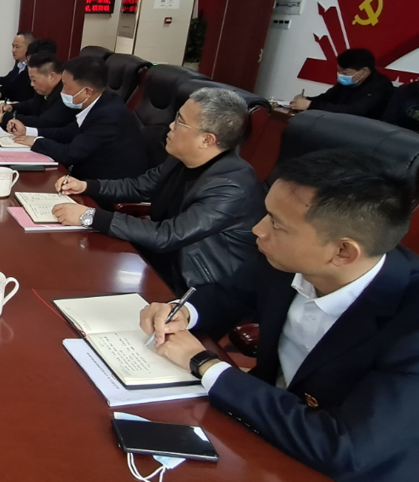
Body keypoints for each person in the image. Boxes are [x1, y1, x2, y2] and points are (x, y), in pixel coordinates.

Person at [141, 150, 419, 482]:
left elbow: (344, 448)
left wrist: (204, 363)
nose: (257, 229)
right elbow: (233, 293)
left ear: (343, 251)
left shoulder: (410, 321)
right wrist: (184, 310)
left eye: (275, 223)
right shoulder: (285, 258)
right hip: (260, 427)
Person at [53, 87, 263, 293]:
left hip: (195, 288)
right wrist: (86, 185)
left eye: (180, 121)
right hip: (158, 261)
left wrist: (90, 216)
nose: (171, 125)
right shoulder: (181, 159)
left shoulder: (231, 186)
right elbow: (138, 186)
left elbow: (168, 235)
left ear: (206, 140)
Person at [13, 56, 147, 181]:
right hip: (86, 177)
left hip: (105, 187)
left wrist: (36, 142)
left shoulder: (108, 116)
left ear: (87, 91)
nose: (62, 92)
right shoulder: (100, 103)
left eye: (65, 86)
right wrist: (28, 131)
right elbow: (67, 132)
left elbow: (70, 154)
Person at [0, 52, 77, 130]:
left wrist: (5, 118)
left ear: (51, 76)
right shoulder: (47, 90)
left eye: (34, 80)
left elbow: (44, 122)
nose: (32, 84)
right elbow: (33, 104)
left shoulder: (67, 93)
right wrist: (12, 107)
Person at [290, 47, 393, 118]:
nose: (341, 75)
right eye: (339, 71)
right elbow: (327, 97)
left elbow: (355, 111)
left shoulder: (381, 86)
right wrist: (306, 99)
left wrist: (311, 105)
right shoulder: (348, 81)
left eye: (345, 72)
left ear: (364, 71)